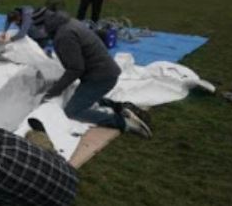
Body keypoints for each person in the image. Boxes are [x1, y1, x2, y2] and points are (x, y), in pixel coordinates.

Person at [34, 9, 152, 138]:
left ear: (44, 25)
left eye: (38, 28)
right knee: (81, 96)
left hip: (101, 77)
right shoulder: (68, 23)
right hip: (101, 72)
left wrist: (54, 91)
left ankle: (123, 122)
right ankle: (120, 108)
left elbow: (75, 69)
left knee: (73, 111)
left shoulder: (64, 36)